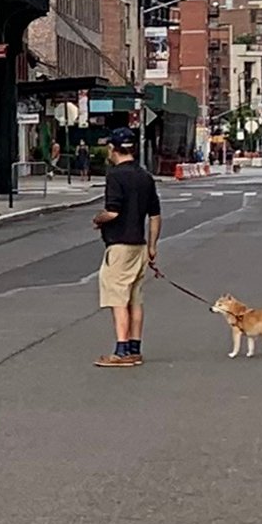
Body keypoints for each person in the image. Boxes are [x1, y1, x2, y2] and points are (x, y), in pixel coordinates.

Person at [94, 140, 163, 367]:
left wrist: (98, 219)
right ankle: (135, 348)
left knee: (118, 299)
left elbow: (113, 211)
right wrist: (152, 246)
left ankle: (121, 351)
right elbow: (155, 215)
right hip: (139, 245)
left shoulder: (115, 176)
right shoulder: (145, 176)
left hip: (119, 245)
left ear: (113, 148)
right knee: (135, 299)